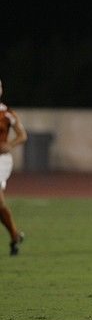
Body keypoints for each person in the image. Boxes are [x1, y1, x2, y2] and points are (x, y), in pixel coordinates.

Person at [0, 79, 27, 256]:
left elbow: (22, 135)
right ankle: (15, 236)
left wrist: (10, 144)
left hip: (1, 160)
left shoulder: (7, 114)